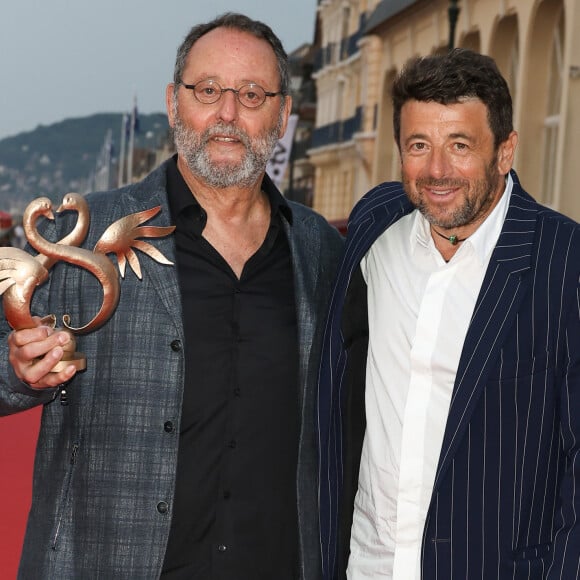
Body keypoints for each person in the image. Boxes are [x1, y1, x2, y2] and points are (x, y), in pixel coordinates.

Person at [0, 13, 343, 579]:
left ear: (283, 114)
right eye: (208, 91)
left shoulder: (319, 251)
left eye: (252, 95)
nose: (228, 113)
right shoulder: (84, 233)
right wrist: (16, 369)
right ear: (173, 102)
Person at [317, 48, 579, 580]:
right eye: (419, 145)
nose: (437, 170)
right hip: (365, 567)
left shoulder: (563, 260)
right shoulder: (376, 227)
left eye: (460, 145)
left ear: (505, 152)